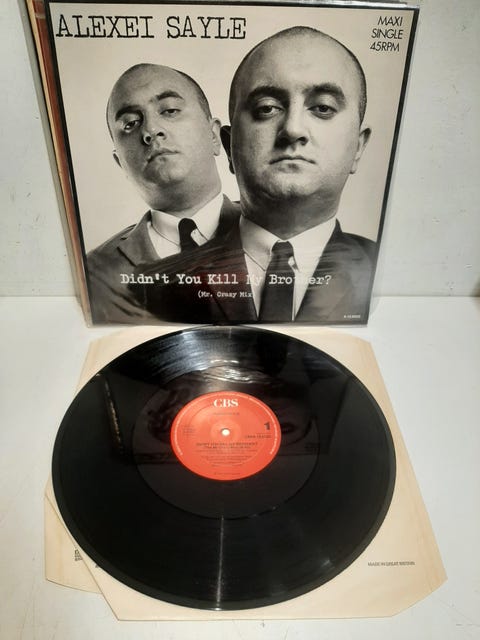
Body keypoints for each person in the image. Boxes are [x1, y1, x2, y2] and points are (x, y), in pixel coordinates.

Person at [137, 27, 376, 323]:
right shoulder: (157, 287)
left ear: (358, 148)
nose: (293, 129)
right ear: (228, 146)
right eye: (267, 108)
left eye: (323, 108)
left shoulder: (385, 272)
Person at [86, 63, 239, 323]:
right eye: (130, 123)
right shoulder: (94, 274)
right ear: (120, 163)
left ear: (214, 136)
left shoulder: (281, 232)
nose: (150, 131)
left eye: (169, 110)